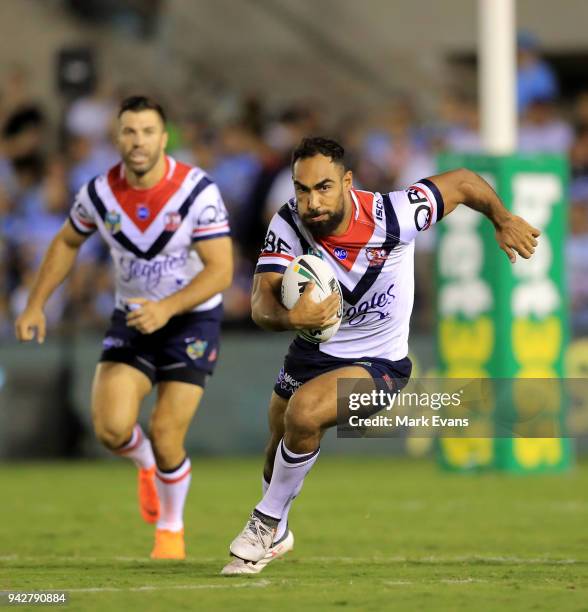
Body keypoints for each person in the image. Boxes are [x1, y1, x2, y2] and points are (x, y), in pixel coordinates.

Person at [221, 136, 539, 575]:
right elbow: (261, 304)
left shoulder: (394, 214)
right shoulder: (289, 223)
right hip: (313, 350)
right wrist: (296, 318)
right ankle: (279, 531)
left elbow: (464, 182)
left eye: (324, 187)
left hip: (380, 365)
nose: (311, 201)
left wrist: (501, 219)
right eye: (302, 188)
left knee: (304, 413)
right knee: (278, 434)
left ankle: (264, 522)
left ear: (347, 182)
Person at [15, 96, 232, 560]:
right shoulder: (97, 193)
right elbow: (66, 242)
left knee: (167, 431)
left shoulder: (196, 190)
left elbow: (220, 270)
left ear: (163, 137)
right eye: (129, 132)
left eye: (147, 131)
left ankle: (170, 531)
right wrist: (36, 304)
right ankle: (144, 462)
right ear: (117, 137)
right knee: (112, 430)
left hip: (191, 317)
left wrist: (168, 307)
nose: (138, 141)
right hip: (133, 317)